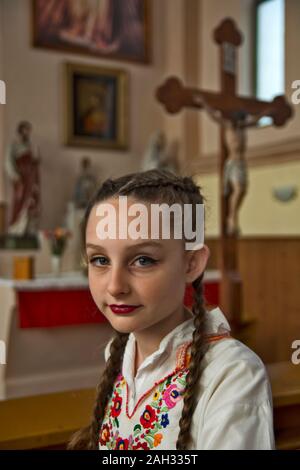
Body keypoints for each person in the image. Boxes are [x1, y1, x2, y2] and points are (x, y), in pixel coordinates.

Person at [67, 169, 274, 450]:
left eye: (143, 260)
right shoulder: (120, 353)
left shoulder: (231, 373)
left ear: (191, 263)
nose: (115, 286)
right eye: (100, 259)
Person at [5, 121, 41, 236]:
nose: (27, 133)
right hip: (22, 180)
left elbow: (35, 162)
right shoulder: (14, 145)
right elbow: (8, 162)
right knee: (19, 203)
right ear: (20, 131)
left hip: (31, 179)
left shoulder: (31, 146)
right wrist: (16, 176)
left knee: (32, 203)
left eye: (29, 130)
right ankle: (16, 230)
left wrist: (36, 160)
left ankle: (29, 230)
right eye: (25, 130)